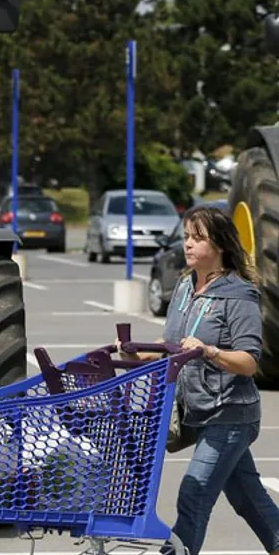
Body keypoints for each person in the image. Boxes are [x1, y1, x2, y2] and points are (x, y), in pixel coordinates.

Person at [117, 205, 279, 555]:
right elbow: (173, 342)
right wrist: (140, 353)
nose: (187, 244)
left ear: (219, 244)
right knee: (249, 499)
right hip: (197, 410)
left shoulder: (239, 295)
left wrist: (210, 351)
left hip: (230, 414)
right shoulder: (185, 286)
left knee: (195, 492)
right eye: (186, 237)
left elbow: (249, 362)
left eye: (197, 238)